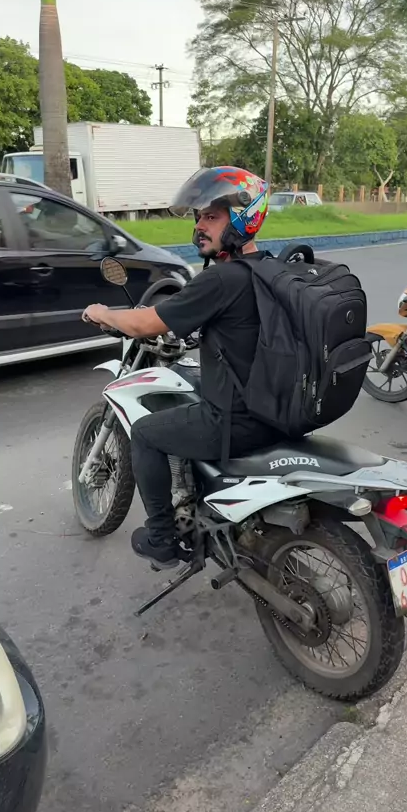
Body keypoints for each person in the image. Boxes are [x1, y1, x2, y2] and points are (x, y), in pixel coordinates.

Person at [82, 166, 283, 569]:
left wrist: (103, 312)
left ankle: (162, 539)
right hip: (276, 409)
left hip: (239, 420)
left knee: (146, 433)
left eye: (212, 216)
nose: (199, 227)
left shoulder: (222, 279)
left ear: (242, 218)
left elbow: (146, 323)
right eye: (198, 217)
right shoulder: (271, 268)